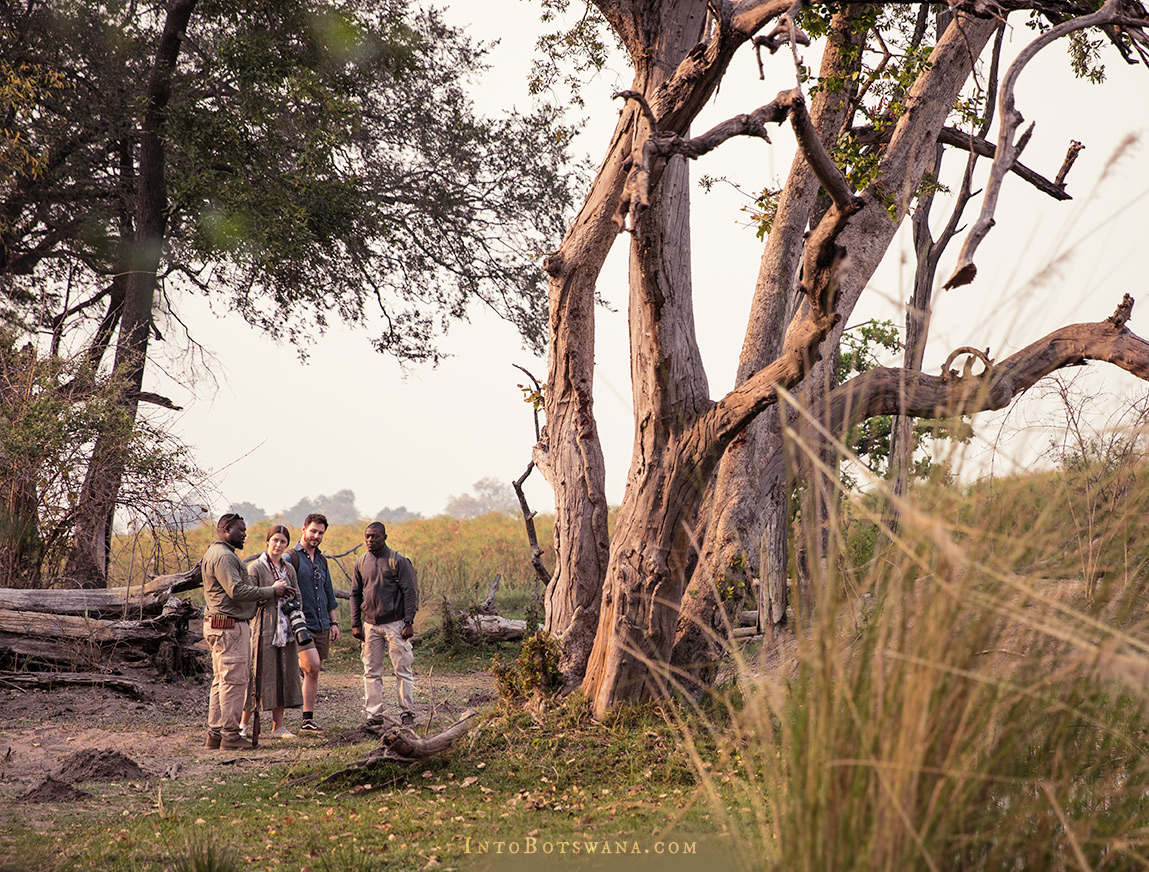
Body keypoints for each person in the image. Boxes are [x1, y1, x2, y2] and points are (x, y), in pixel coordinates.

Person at [202, 513, 291, 751]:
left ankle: (216, 734)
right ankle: (230, 736)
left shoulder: (217, 554)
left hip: (222, 624)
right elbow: (236, 590)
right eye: (240, 530)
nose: (244, 534)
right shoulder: (223, 556)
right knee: (234, 681)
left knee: (221, 681)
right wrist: (270, 591)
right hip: (230, 627)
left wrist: (255, 600)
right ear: (226, 529)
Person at [239, 525, 305, 740]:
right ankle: (243, 725)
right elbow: (249, 598)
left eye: (283, 542)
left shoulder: (289, 568)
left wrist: (291, 600)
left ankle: (279, 727)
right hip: (263, 628)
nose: (278, 545)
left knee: (283, 673)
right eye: (275, 540)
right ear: (267, 542)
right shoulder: (255, 568)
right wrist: (273, 591)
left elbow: (298, 598)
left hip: (286, 629)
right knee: (256, 674)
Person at [350, 522, 418, 727]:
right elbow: (355, 593)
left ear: (385, 537)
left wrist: (409, 621)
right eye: (367, 536)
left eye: (375, 536)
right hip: (370, 625)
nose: (370, 540)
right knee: (371, 671)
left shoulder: (398, 561)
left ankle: (407, 713)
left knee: (402, 669)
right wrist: (355, 623)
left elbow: (410, 592)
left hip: (396, 624)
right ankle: (374, 715)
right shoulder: (361, 562)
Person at [288, 513, 340, 733]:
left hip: (322, 623)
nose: (316, 536)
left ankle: (307, 719)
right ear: (303, 529)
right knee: (312, 665)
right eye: (313, 531)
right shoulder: (291, 557)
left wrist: (334, 622)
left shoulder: (321, 560)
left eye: (320, 533)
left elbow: (329, 592)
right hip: (301, 623)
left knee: (314, 671)